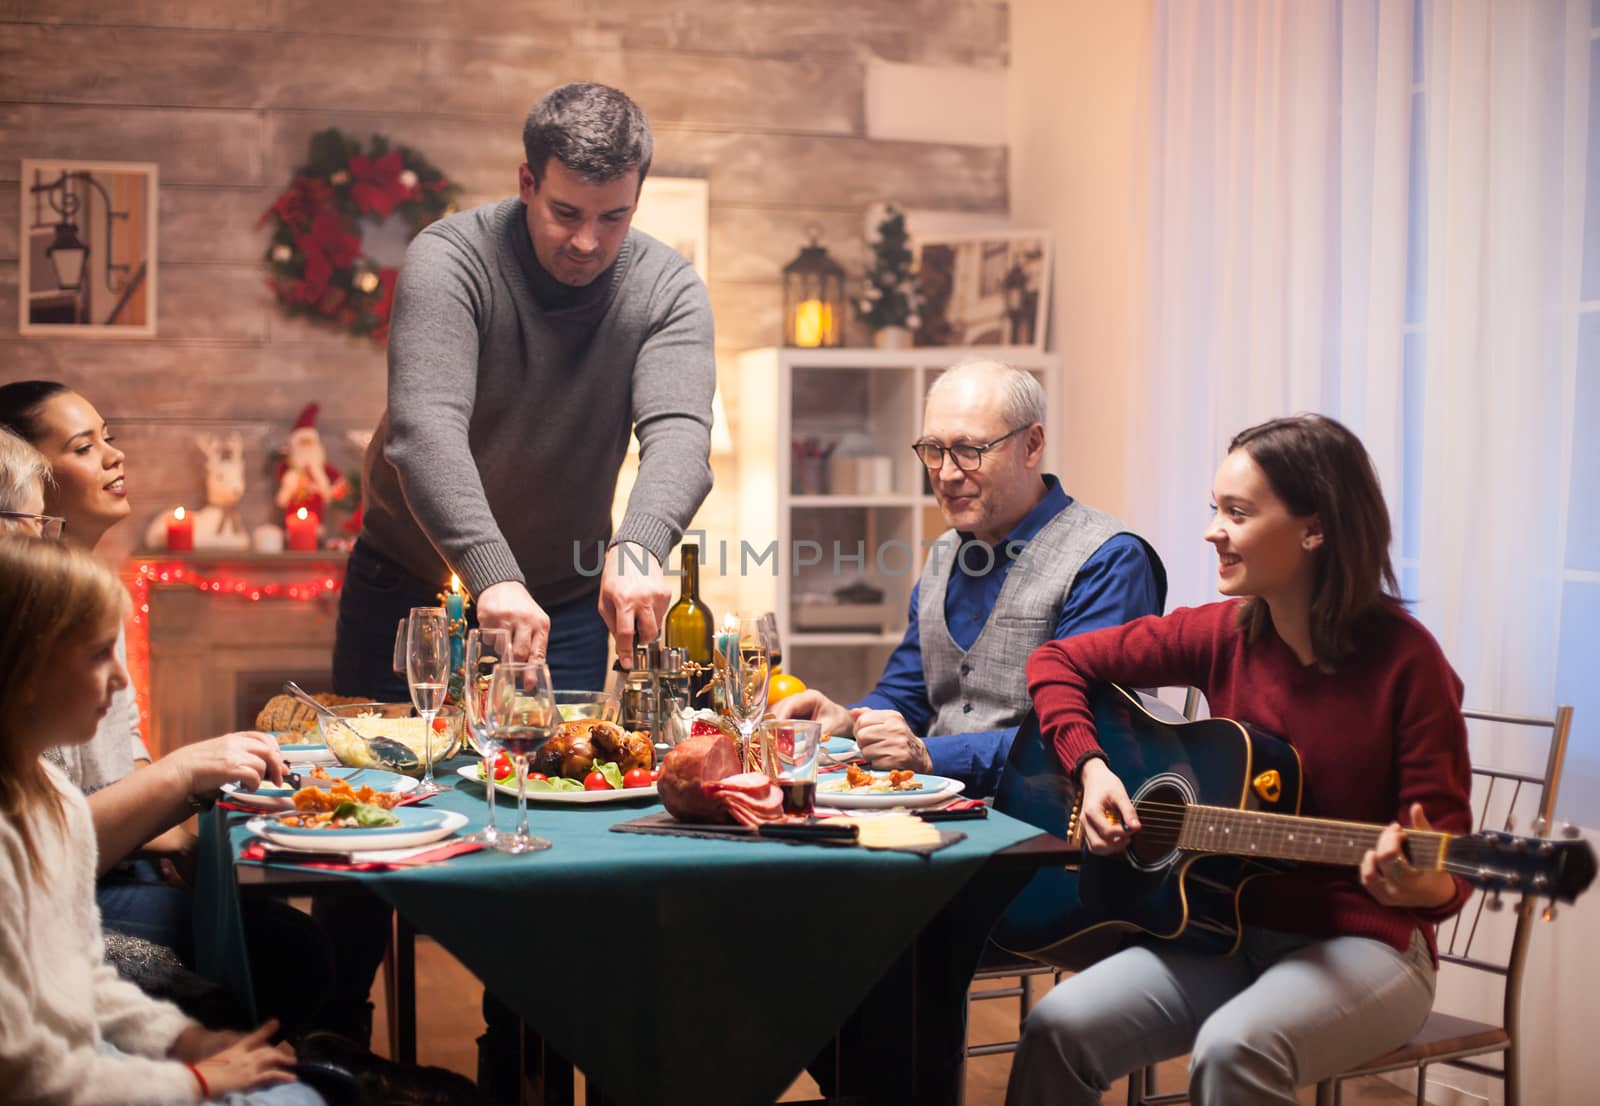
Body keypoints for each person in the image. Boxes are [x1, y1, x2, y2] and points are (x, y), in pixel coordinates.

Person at [1007, 414, 1473, 1106]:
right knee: (1057, 1025)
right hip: (1223, 933)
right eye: (1214, 509)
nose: (1212, 530)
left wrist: (1415, 886)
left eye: (1237, 512)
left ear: (1314, 528)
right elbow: (1056, 660)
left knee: (1235, 1049)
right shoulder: (1222, 632)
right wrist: (1092, 768)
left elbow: (1452, 870)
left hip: (1367, 948)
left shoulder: (1408, 662)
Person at [334, 80, 715, 703]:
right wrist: (491, 575)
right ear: (527, 183)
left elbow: (679, 435)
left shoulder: (668, 289)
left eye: (613, 217)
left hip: (563, 604)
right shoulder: (449, 258)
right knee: (388, 788)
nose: (588, 241)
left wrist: (641, 545)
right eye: (567, 213)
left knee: (555, 787)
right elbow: (424, 431)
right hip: (410, 590)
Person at [0, 380, 333, 1036]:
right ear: (27, 477)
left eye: (109, 439)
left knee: (276, 921)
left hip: (114, 868)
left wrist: (197, 828)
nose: (113, 457)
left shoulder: (96, 595)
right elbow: (43, 845)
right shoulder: (23, 630)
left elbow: (128, 759)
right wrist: (183, 779)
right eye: (83, 447)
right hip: (62, 901)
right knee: (286, 950)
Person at [0, 534, 323, 1106]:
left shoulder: (59, 802)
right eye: (100, 655)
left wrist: (186, 1040)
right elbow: (28, 1075)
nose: (123, 680)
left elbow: (85, 972)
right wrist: (195, 1081)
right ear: (27, 671)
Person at [773, 360, 1165, 795]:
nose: (946, 473)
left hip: (1047, 833)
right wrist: (850, 721)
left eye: (968, 450)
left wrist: (927, 756)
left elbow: (1088, 734)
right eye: (933, 450)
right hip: (938, 812)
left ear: (1031, 445)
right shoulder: (943, 552)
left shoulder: (1109, 560)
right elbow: (908, 694)